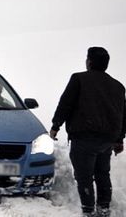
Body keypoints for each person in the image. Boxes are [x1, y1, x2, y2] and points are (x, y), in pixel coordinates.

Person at [50, 47, 125, 217]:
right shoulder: (118, 86)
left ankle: (89, 211)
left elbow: (66, 104)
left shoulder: (79, 79)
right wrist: (119, 139)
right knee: (102, 175)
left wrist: (56, 126)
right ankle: (104, 209)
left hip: (84, 138)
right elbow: (122, 114)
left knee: (84, 177)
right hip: (107, 140)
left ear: (89, 62)